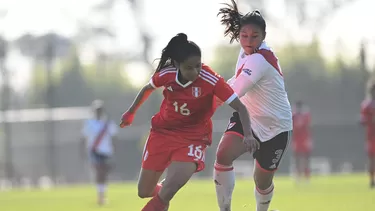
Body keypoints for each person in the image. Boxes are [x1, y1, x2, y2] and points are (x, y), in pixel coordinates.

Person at [119, 33, 258, 211]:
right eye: (189, 68)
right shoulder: (167, 74)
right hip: (162, 133)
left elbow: (241, 107)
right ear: (177, 65)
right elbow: (147, 88)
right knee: (144, 191)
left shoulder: (211, 80)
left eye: (198, 66)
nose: (195, 72)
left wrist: (248, 135)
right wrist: (131, 113)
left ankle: (165, 193)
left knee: (168, 192)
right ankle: (165, 189)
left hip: (193, 138)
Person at [213, 1, 293, 211]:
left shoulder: (261, 60)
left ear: (264, 36)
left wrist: (206, 100)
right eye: (244, 36)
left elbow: (235, 91)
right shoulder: (244, 54)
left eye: (254, 36)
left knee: (262, 181)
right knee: (223, 154)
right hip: (247, 116)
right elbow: (236, 81)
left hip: (275, 127)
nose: (248, 41)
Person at [81, 100, 118, 205]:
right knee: (98, 172)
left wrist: (115, 149)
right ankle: (100, 197)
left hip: (106, 151)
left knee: (104, 174)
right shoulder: (89, 123)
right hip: (94, 151)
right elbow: (84, 137)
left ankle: (102, 195)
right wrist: (83, 151)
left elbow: (114, 136)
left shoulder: (108, 123)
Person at [292, 100, 312, 183]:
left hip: (304, 138)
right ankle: (298, 176)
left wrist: (309, 139)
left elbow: (309, 127)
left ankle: (307, 176)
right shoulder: (293, 116)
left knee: (306, 158)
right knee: (297, 158)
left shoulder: (306, 115)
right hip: (297, 139)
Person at [360, 83, 375, 188]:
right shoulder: (366, 105)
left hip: (370, 135)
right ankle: (371, 180)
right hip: (371, 135)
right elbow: (362, 120)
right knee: (371, 158)